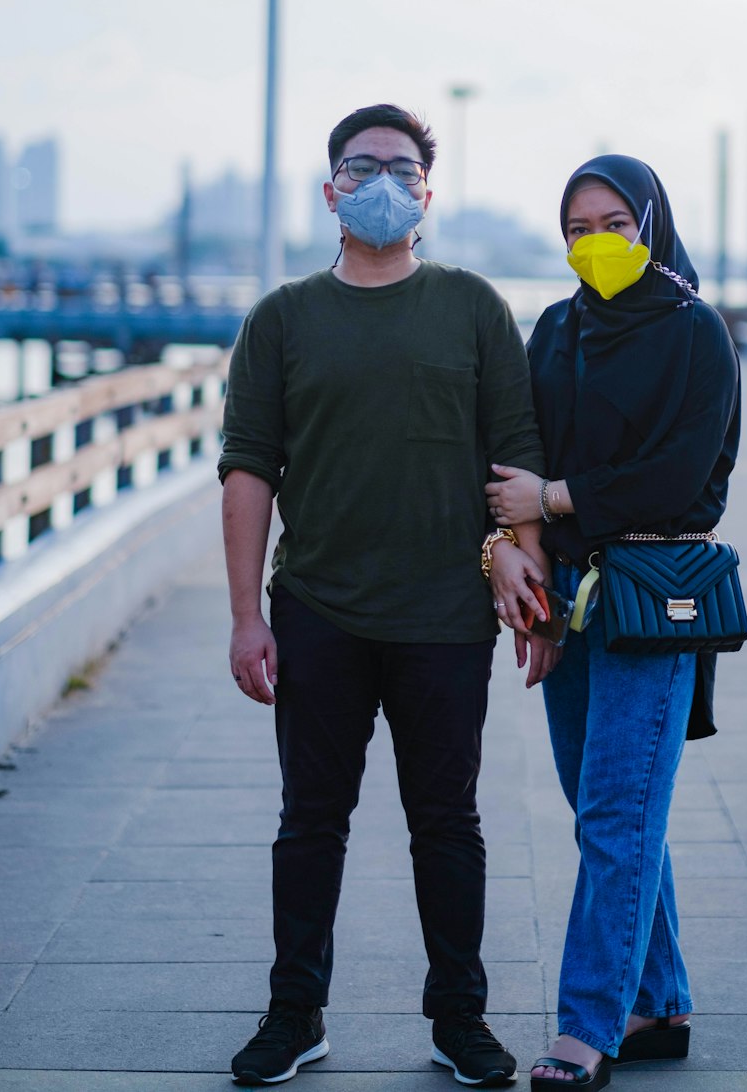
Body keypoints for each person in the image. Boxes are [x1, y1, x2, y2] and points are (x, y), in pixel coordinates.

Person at [219, 104, 549, 1088]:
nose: (380, 182)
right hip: (317, 608)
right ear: (329, 191)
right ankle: (294, 1014)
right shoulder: (281, 318)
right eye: (361, 166)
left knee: (446, 821)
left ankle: (460, 1018)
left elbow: (515, 454)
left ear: (426, 195)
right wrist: (244, 617)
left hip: (446, 615)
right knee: (308, 820)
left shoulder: (473, 307)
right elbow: (248, 472)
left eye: (401, 169)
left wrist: (518, 558)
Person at [485, 155, 741, 1090]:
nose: (595, 242)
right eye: (577, 227)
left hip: (655, 597)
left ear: (652, 225)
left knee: (615, 813)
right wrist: (530, 583)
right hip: (572, 596)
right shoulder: (555, 329)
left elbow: (682, 480)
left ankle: (587, 1026)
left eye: (614, 223)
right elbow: (515, 451)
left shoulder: (695, 334)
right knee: (613, 812)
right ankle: (659, 999)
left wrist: (552, 495)